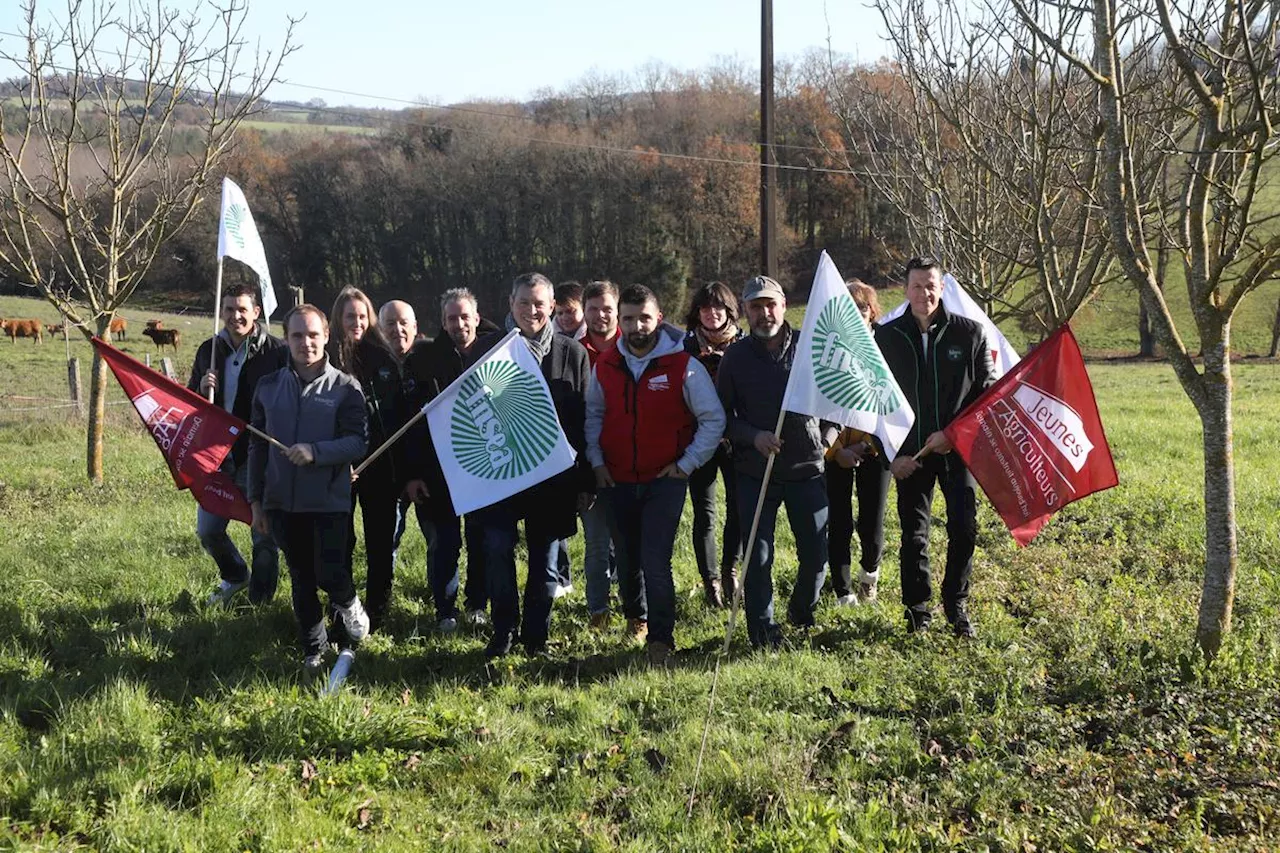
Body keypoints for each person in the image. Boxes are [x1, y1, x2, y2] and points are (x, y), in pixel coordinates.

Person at [587, 285, 724, 665]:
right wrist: (596, 462)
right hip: (615, 478)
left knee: (655, 559)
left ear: (659, 319)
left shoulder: (683, 365)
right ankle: (637, 617)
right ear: (619, 320)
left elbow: (713, 419)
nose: (636, 325)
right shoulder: (605, 365)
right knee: (628, 558)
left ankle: (662, 638)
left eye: (644, 317)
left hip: (664, 480)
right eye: (628, 318)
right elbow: (593, 415)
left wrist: (686, 464)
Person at [470, 273, 594, 659]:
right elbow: (468, 413)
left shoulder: (573, 353)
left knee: (545, 559)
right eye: (524, 302)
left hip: (553, 480)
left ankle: (535, 636)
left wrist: (585, 479)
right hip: (500, 473)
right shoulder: (485, 350)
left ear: (552, 306)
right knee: (496, 551)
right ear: (511, 305)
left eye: (539, 303)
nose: (532, 310)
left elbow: (584, 419)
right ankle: (503, 630)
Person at [876, 257, 995, 637]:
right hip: (910, 456)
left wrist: (953, 435)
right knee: (914, 535)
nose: (924, 293)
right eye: (916, 286)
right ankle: (917, 612)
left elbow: (986, 396)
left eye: (931, 285)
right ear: (904, 290)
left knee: (964, 529)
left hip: (957, 451)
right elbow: (871, 403)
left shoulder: (970, 334)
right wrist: (890, 457)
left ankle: (956, 605)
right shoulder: (887, 338)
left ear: (942, 288)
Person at [248, 304, 370, 674]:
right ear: (286, 339)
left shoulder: (346, 388)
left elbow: (357, 443)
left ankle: (350, 608)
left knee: (330, 572)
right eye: (298, 336)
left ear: (326, 336)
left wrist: (316, 453)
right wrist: (255, 501)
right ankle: (313, 647)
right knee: (300, 576)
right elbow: (256, 446)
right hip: (281, 502)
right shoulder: (268, 387)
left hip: (329, 501)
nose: (306, 343)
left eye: (313, 334)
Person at [717, 274, 835, 649]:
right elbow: (724, 417)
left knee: (817, 555)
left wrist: (827, 442)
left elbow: (837, 403)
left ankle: (801, 614)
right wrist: (753, 436)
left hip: (807, 469)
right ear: (746, 312)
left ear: (784, 305)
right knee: (758, 557)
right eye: (756, 306)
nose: (764, 312)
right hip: (756, 472)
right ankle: (762, 633)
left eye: (770, 304)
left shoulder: (811, 348)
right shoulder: (734, 357)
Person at [398, 289, 500, 632]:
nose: (459, 324)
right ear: (443, 322)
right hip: (435, 471)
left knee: (482, 539)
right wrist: (411, 475)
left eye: (464, 316)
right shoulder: (422, 359)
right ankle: (445, 610)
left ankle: (477, 603)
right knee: (444, 544)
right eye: (451, 318)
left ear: (476, 316)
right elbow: (409, 425)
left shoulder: (496, 351)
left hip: (485, 466)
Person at [188, 281, 288, 606]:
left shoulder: (276, 352)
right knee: (208, 529)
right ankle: (234, 575)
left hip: (257, 455)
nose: (235, 316)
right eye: (229, 309)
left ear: (256, 312)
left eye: (242, 309)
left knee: (263, 534)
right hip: (217, 457)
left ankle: (261, 600)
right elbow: (190, 401)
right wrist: (202, 389)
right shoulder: (209, 350)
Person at [328, 286, 404, 633]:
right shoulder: (327, 358)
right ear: (338, 320)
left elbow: (395, 414)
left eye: (362, 316)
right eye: (350, 317)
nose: (356, 322)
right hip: (338, 468)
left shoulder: (384, 358)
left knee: (380, 539)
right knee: (340, 540)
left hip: (380, 466)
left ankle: (379, 606)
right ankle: (341, 607)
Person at [824, 279, 891, 607]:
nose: (857, 313)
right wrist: (837, 451)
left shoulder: (885, 351)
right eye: (849, 308)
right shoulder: (827, 351)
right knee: (838, 520)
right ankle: (841, 589)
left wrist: (864, 447)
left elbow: (890, 405)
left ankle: (869, 577)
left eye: (862, 307)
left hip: (874, 450)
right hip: (834, 451)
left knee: (871, 520)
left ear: (872, 312)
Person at [682, 281, 746, 608]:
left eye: (718, 307)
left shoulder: (744, 345)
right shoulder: (684, 348)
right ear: (697, 313)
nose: (712, 314)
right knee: (704, 514)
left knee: (738, 507)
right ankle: (711, 582)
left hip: (737, 440)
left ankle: (731, 568)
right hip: (700, 440)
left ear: (729, 310)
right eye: (705, 308)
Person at [575, 280, 621, 629]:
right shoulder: (573, 351)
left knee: (634, 544)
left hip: (633, 462)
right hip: (590, 465)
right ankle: (598, 613)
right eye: (593, 309)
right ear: (584, 311)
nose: (600, 315)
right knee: (596, 544)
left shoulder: (635, 346)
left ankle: (639, 611)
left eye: (607, 308)